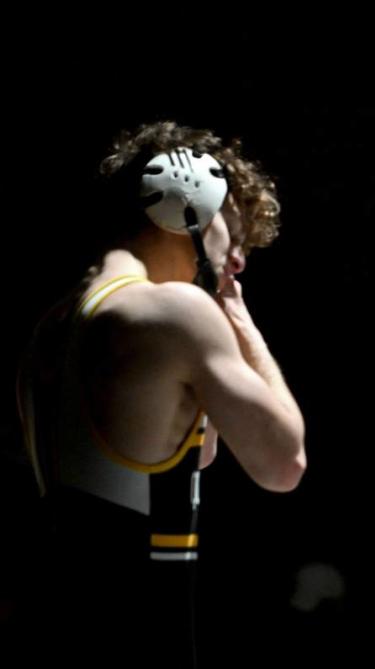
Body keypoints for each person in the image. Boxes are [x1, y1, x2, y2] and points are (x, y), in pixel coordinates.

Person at [15, 121, 307, 668]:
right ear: (186, 201)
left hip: (57, 633)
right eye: (234, 235)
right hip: (136, 643)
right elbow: (283, 461)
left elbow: (200, 451)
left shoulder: (54, 326)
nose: (238, 259)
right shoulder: (172, 311)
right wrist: (244, 328)